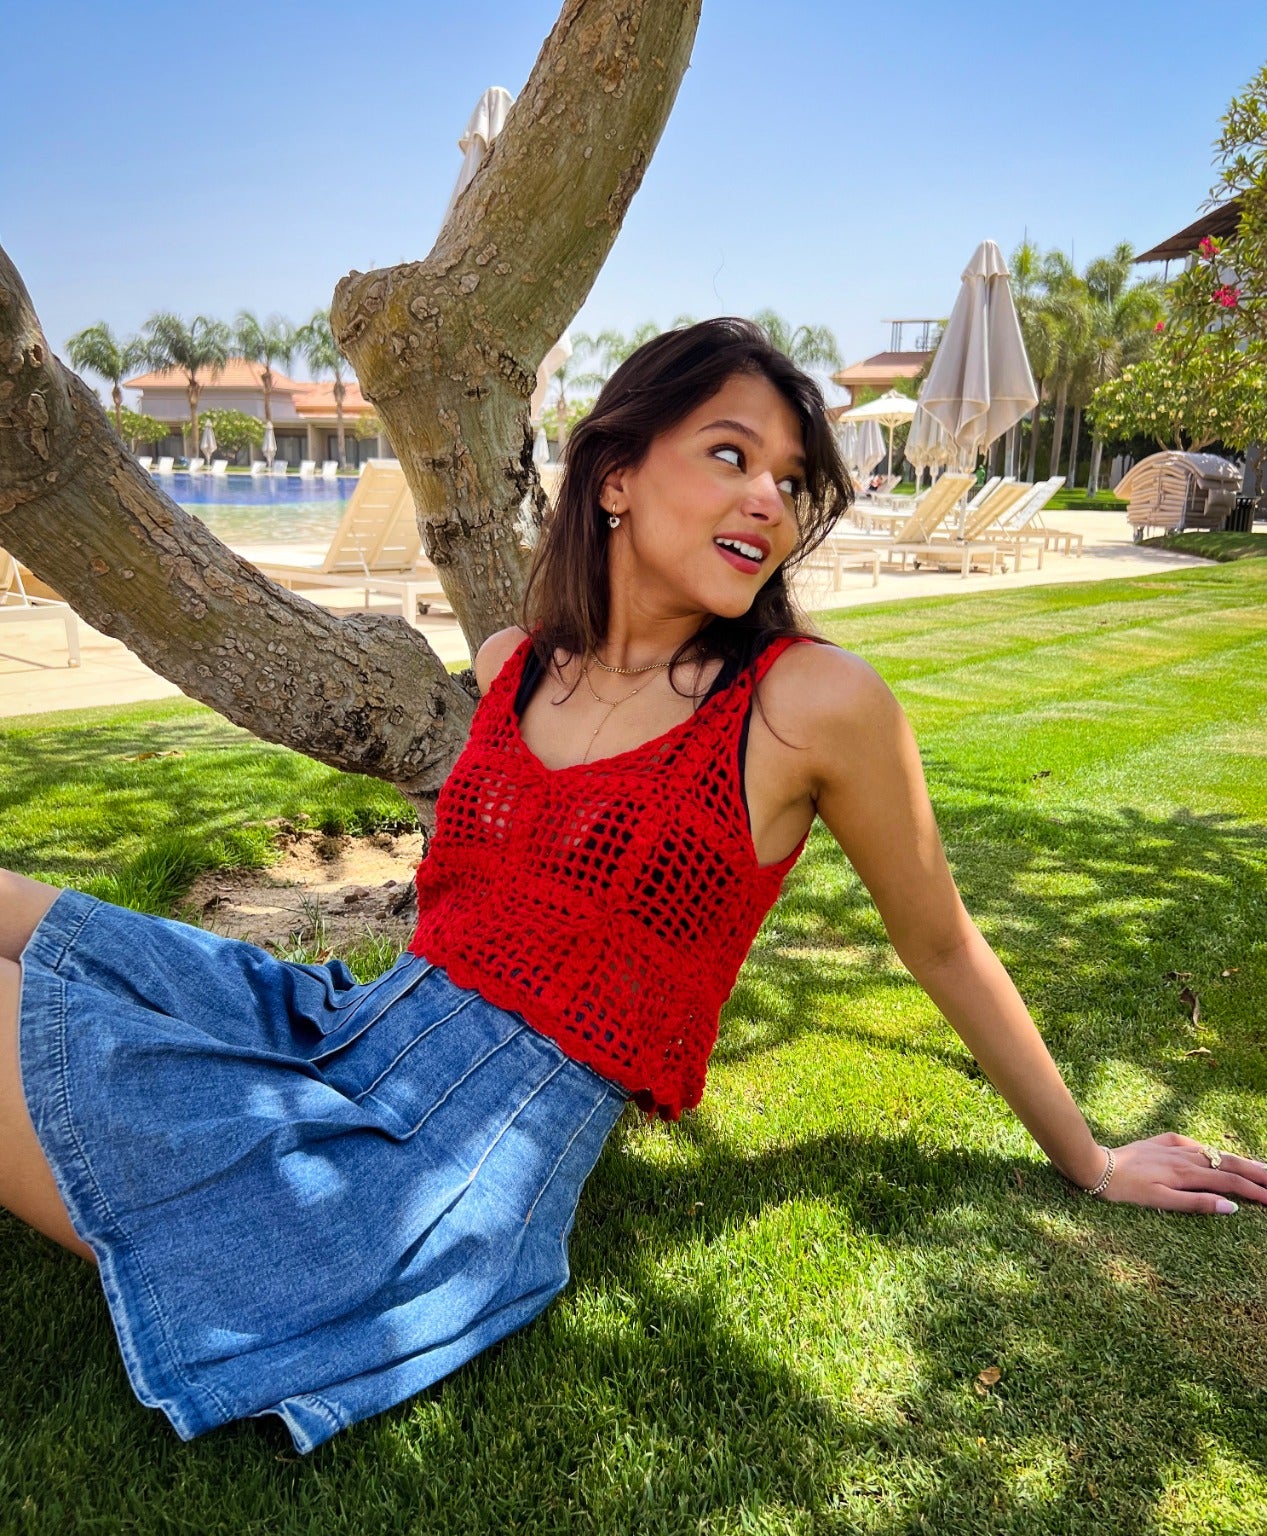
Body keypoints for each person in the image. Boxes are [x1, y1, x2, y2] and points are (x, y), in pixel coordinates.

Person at [2, 319, 1263, 1454]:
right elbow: (506, 690)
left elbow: (943, 945)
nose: (768, 497)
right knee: (39, 919)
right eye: (729, 454)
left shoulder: (809, 705)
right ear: (615, 474)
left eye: (789, 479)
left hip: (429, 1178)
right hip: (343, 1031)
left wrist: (1091, 1159)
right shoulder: (517, 667)